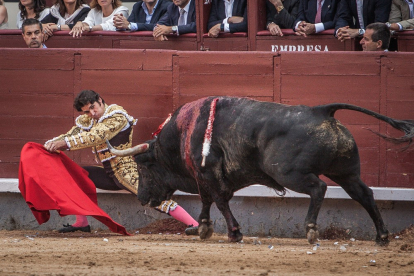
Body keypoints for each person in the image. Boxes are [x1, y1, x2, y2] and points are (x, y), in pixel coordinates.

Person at [44, 90, 199, 234]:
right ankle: (81, 223)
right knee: (75, 177)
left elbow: (96, 136)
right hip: (109, 172)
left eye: (93, 107)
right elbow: (73, 133)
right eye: (87, 111)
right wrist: (50, 144)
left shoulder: (117, 117)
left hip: (125, 171)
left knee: (154, 198)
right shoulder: (90, 120)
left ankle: (195, 225)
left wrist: (65, 144)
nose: (92, 113)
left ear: (100, 100)